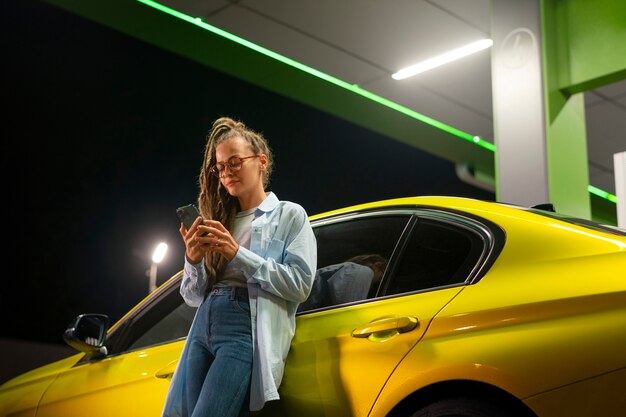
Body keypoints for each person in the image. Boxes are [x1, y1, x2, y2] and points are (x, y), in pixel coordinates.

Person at [161, 116, 317, 417]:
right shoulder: (221, 219)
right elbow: (193, 297)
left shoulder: (289, 215)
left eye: (234, 162)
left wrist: (237, 254)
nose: (226, 173)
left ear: (261, 161)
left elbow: (300, 284)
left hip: (242, 325)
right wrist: (192, 259)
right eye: (220, 167)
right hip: (204, 321)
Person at [299, 254, 387, 311]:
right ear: (377, 265)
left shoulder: (347, 269)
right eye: (383, 275)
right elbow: (348, 309)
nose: (380, 281)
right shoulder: (364, 271)